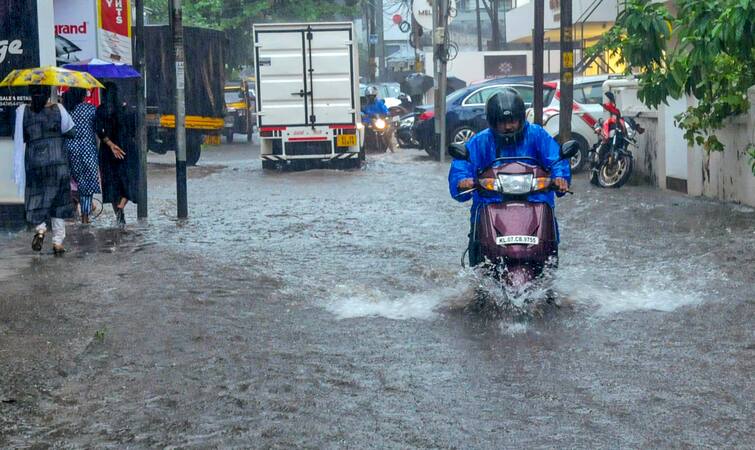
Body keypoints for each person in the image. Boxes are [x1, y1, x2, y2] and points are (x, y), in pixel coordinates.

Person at [448, 89, 571, 266]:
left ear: (521, 118)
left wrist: (560, 178)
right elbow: (463, 164)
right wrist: (463, 180)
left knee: (549, 245)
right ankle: (477, 269)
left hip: (535, 200)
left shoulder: (536, 135)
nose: (508, 126)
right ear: (492, 122)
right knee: (477, 246)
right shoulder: (481, 141)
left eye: (512, 120)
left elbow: (556, 159)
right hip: (491, 202)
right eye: (502, 122)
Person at [13, 85, 76, 255]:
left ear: (30, 94)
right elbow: (72, 131)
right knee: (59, 203)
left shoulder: (22, 111)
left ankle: (40, 230)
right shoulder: (59, 109)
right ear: (49, 94)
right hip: (58, 162)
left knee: (36, 197)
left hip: (35, 162)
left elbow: (20, 136)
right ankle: (57, 242)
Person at [95, 82, 139, 225]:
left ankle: (118, 215)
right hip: (126, 149)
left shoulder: (101, 110)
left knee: (112, 184)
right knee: (128, 180)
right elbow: (134, 129)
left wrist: (111, 145)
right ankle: (121, 206)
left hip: (108, 152)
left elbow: (99, 130)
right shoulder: (125, 110)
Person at [63, 87, 100, 224]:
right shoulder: (91, 109)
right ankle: (85, 218)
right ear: (83, 95)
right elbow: (97, 129)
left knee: (73, 182)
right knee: (87, 185)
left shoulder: (67, 110)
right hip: (88, 150)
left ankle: (72, 215)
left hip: (70, 150)